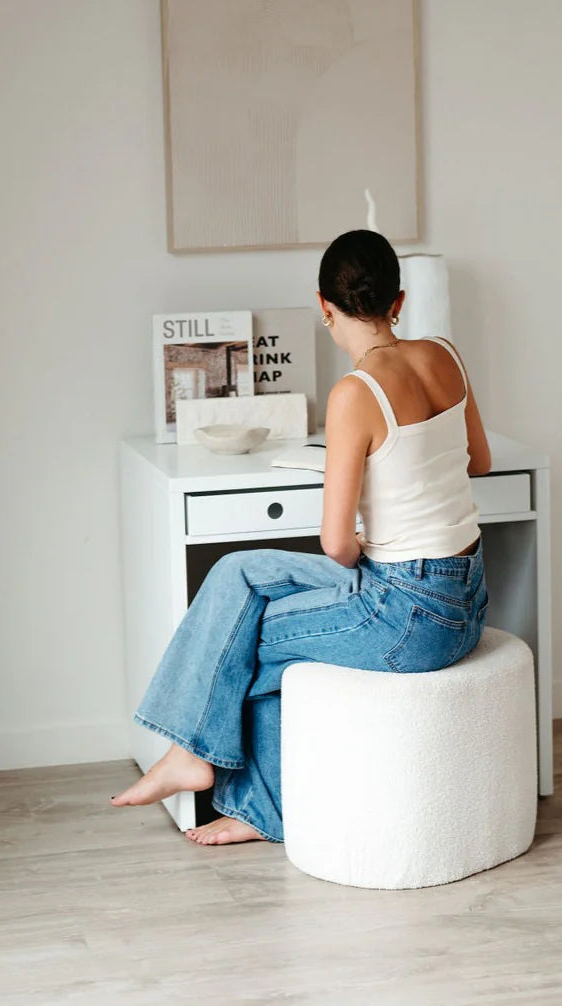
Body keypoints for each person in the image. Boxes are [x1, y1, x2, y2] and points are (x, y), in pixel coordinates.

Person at [111, 230, 492, 845]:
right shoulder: (445, 355)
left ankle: (250, 800)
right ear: (399, 301)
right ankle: (193, 754)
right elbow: (479, 461)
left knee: (251, 633)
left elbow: (337, 545)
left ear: (324, 307)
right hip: (466, 596)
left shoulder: (355, 393)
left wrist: (375, 530)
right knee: (238, 573)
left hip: (407, 617)